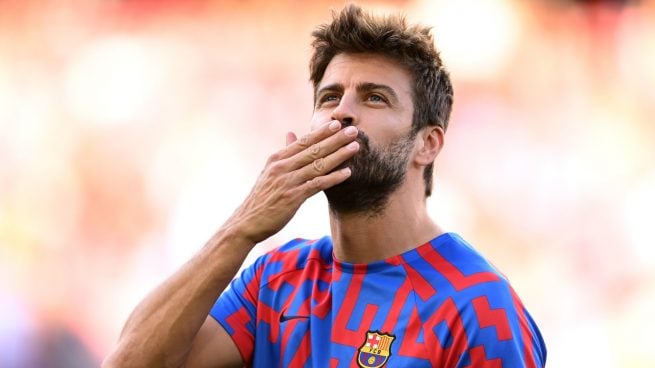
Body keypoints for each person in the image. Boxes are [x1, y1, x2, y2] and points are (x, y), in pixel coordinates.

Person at [103, 4, 546, 368]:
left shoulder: (476, 306)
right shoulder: (275, 281)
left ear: (427, 144)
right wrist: (242, 228)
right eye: (330, 97)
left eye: (375, 97)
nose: (342, 113)